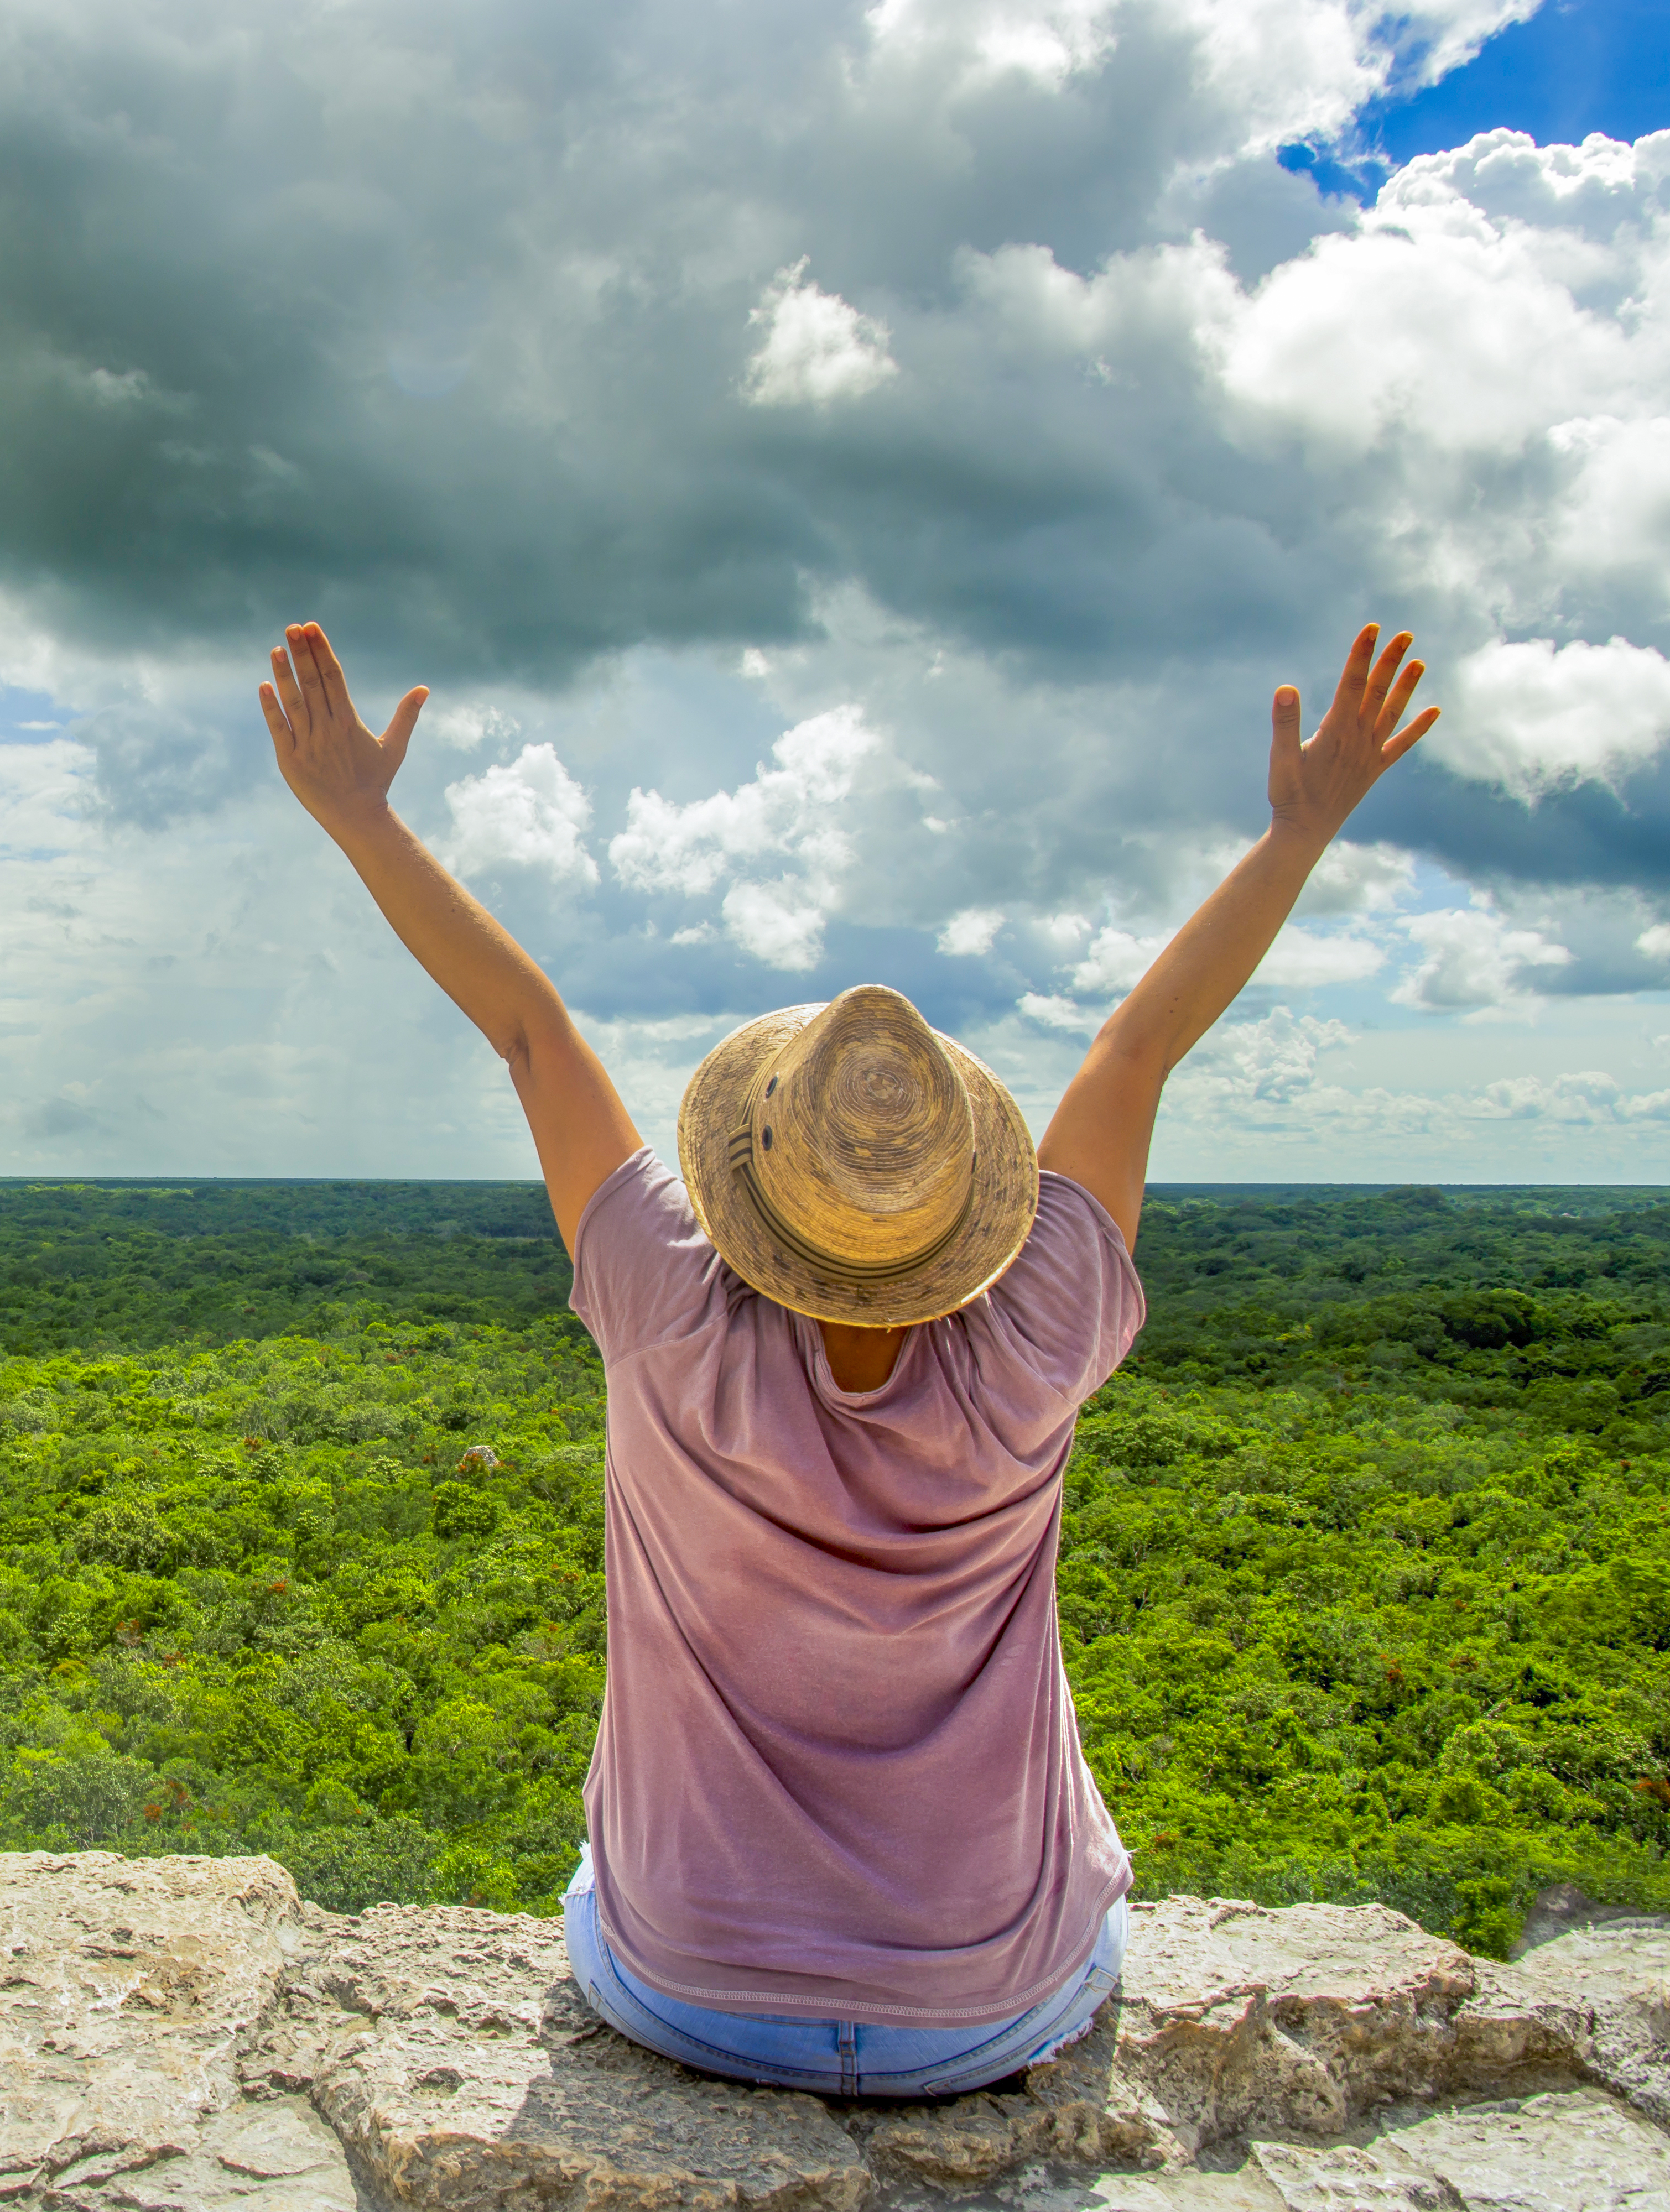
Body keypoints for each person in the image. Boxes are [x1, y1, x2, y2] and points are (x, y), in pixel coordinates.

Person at [256, 621, 1436, 2098]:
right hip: (987, 2006)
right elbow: (1138, 1050)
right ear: (969, 1205)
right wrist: (1300, 831)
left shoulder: (667, 1303)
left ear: (749, 1184)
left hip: (687, 1989)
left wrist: (357, 815)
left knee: (594, 1868)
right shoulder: (1040, 1332)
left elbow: (529, 1032)